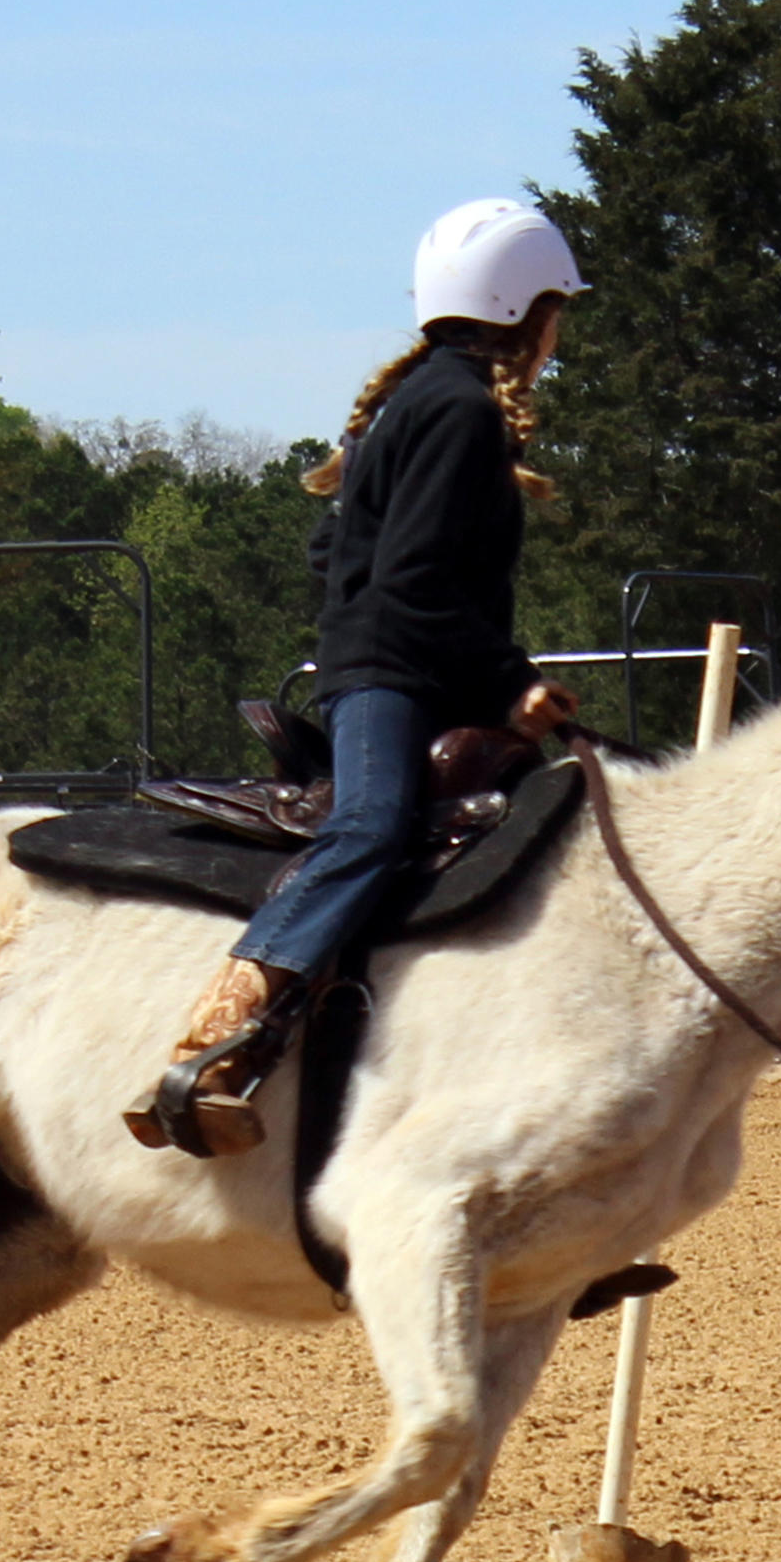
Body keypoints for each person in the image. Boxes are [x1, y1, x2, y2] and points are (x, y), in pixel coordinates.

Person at [123, 197, 587, 1156]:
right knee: (372, 829)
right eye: (557, 313)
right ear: (525, 312)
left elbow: (331, 547)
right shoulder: (459, 412)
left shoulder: (408, 404)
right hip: (392, 677)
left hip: (403, 666)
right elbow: (411, 577)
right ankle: (216, 1041)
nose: (558, 336)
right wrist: (508, 680)